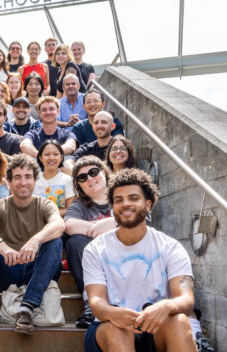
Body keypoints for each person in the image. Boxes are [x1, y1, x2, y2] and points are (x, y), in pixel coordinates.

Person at [83, 168, 197, 352]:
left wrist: (167, 305)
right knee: (117, 330)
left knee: (179, 322)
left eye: (133, 198)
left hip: (154, 328)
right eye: (118, 200)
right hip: (109, 329)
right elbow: (96, 300)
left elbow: (187, 300)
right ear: (112, 207)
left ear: (148, 204)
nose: (125, 204)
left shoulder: (170, 247)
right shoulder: (95, 249)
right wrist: (113, 313)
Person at [0, 154, 65, 334]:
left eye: (28, 177)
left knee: (55, 239)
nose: (23, 182)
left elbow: (59, 224)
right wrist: (0, 243)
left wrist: (35, 240)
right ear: (8, 182)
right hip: (9, 268)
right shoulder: (1, 204)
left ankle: (26, 310)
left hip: (36, 270)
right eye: (17, 177)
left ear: (35, 180)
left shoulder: (45, 204)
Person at [64, 156, 116, 329]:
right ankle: (91, 304)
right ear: (79, 184)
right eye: (82, 177)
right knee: (75, 242)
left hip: (125, 256)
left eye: (93, 172)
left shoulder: (121, 194)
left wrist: (114, 223)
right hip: (96, 259)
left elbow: (141, 218)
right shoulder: (79, 205)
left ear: (104, 172)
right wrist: (102, 225)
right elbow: (70, 225)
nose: (90, 179)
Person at [35, 140, 76, 217]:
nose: (51, 158)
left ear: (61, 157)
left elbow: (70, 209)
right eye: (47, 154)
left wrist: (46, 214)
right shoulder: (33, 180)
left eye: (56, 154)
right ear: (40, 158)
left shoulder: (67, 180)